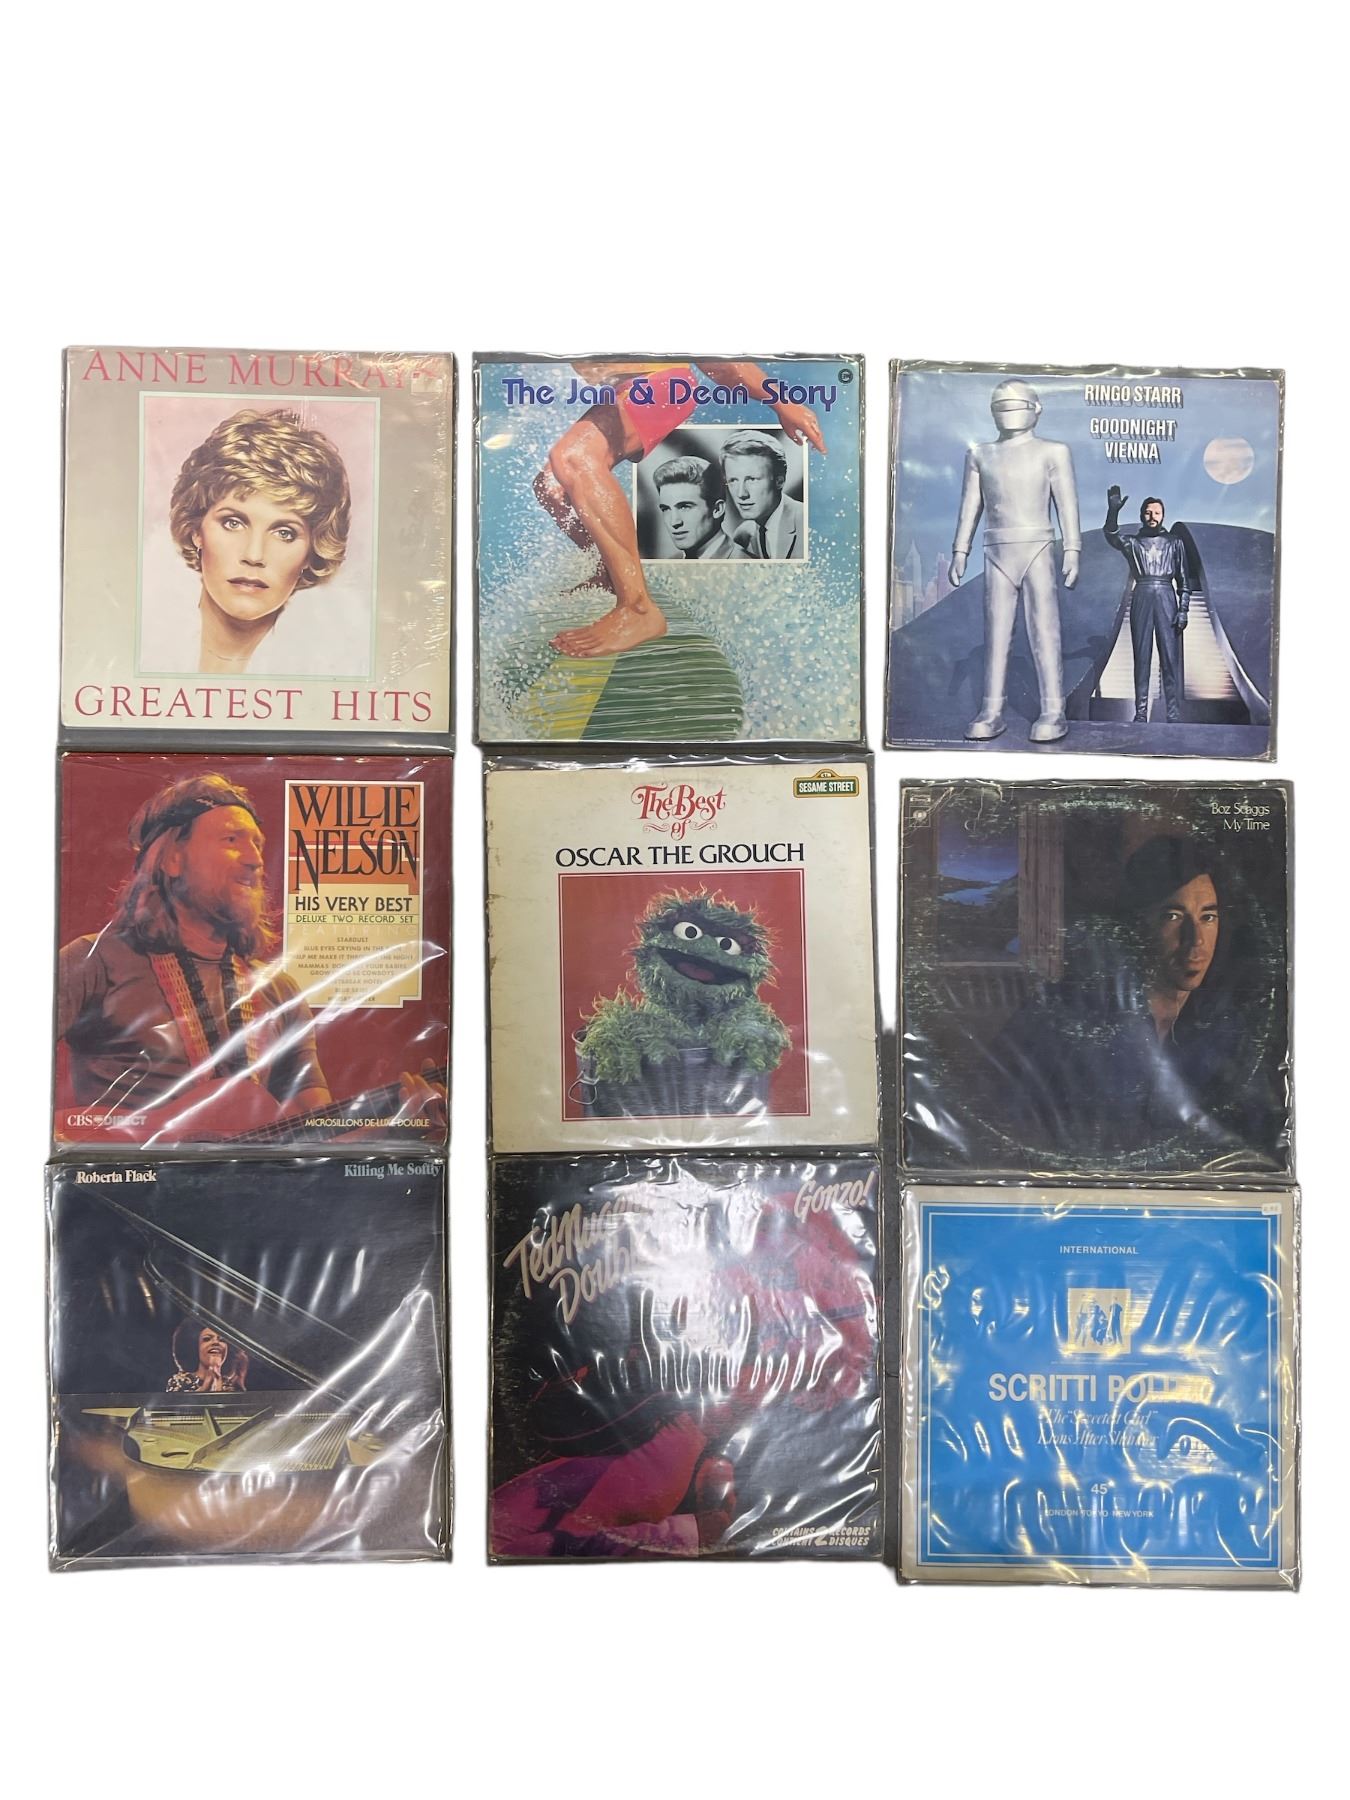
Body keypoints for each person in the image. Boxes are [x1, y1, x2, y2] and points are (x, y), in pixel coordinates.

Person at [58, 774, 332, 1139]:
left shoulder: (280, 990)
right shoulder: (95, 960)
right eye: (232, 840)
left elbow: (318, 1129)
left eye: (258, 844)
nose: (255, 860)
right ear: (172, 858)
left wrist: (394, 1127)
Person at [987, 836, 1254, 1165]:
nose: (1195, 941)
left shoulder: (1226, 1030)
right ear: (1137, 925)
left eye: (1208, 917)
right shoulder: (1063, 1015)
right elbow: (998, 1123)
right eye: (1173, 916)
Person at [534, 360, 826, 658]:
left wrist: (782, 402)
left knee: (574, 457)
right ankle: (609, 572)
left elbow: (717, 361)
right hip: (630, 389)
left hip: (663, 385)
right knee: (551, 487)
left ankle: (637, 607)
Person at [169, 408, 351, 676]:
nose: (254, 555)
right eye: (233, 523)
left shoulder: (336, 666)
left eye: (284, 533)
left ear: (311, 552)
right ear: (196, 530)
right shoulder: (145, 639)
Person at [949, 380, 1081, 743]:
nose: (1007, 412)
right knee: (996, 634)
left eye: (1014, 405)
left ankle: (1053, 709)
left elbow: (1066, 503)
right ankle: (992, 710)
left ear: (1036, 409)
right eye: (1000, 406)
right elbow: (970, 507)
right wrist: (960, 550)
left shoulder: (1053, 452)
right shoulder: (980, 454)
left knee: (1045, 630)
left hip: (1037, 546)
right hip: (997, 549)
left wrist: (1073, 548)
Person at [1103, 488, 1195, 723]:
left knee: (1170, 659)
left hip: (1166, 595)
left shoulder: (1174, 542)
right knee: (1141, 657)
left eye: (1157, 512)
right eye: (1148, 512)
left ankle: (1173, 715)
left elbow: (1183, 579)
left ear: (1163, 515)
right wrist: (1113, 512)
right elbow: (1112, 535)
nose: (1152, 516)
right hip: (1142, 594)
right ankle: (1141, 713)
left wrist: (1183, 609)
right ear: (1142, 515)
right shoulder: (1133, 542)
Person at [718, 431, 805, 559]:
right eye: (733, 481)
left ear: (779, 481)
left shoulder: (807, 523)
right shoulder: (743, 536)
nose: (741, 494)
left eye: (752, 479)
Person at [650, 455, 746, 561]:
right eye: (666, 509)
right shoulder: (669, 563)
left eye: (685, 507)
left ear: (717, 509)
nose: (674, 522)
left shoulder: (746, 563)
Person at [166, 1318, 249, 1393]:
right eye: (207, 1339)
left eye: (222, 1340)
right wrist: (208, 1382)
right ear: (194, 1347)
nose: (216, 1342)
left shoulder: (232, 1387)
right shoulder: (180, 1382)